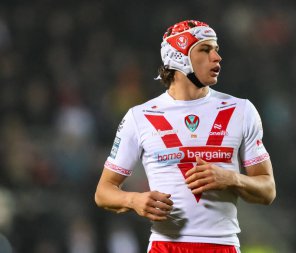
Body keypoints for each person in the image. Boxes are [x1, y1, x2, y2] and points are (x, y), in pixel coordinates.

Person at [95, 20, 276, 253]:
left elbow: (268, 190)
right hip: (165, 247)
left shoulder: (242, 110)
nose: (217, 57)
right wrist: (134, 201)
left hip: (223, 246)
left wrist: (232, 179)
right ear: (179, 56)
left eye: (216, 50)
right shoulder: (139, 117)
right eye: (205, 49)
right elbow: (103, 192)